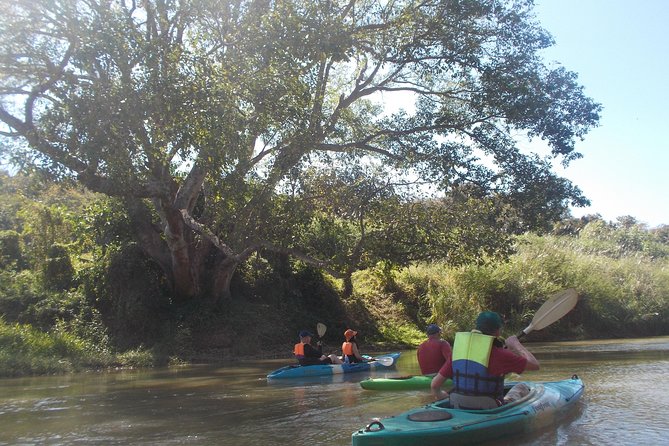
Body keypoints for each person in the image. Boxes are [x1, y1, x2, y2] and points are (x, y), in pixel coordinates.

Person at [431, 311, 539, 408]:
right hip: (490, 408)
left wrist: (445, 398)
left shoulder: (458, 353)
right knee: (522, 386)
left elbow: (434, 385)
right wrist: (516, 344)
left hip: (459, 404)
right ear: (497, 331)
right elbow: (534, 365)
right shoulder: (501, 355)